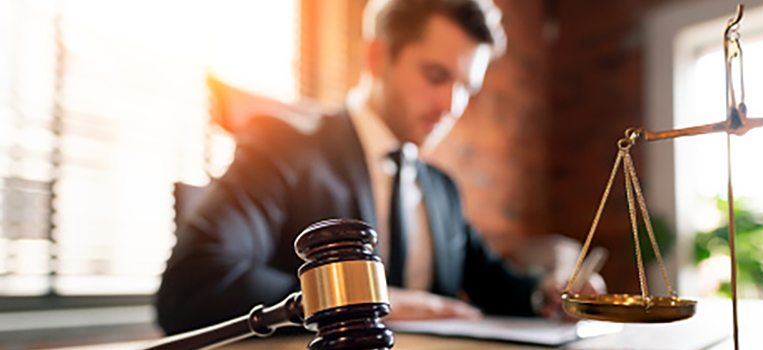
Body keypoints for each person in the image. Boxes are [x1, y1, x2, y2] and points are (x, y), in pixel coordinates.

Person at [156, 0, 603, 335]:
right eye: (435, 75)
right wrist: (368, 298)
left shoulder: (442, 190)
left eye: (467, 87)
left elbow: (491, 282)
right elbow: (192, 285)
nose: (452, 105)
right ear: (377, 57)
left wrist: (545, 294)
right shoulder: (284, 150)